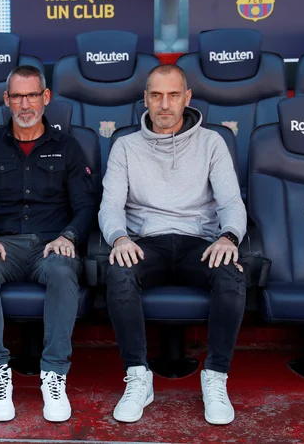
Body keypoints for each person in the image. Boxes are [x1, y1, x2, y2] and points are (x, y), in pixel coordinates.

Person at [99, 64, 247, 425]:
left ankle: (215, 377)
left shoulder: (213, 142)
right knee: (118, 270)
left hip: (199, 241)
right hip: (145, 243)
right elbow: (110, 207)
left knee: (231, 274)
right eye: (156, 95)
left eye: (173, 95)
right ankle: (138, 376)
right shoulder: (125, 146)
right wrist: (118, 237)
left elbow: (231, 203)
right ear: (145, 99)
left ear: (187, 98)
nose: (164, 104)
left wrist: (229, 236)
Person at [0, 65, 97, 423]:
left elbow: (85, 206)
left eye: (32, 95)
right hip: (3, 245)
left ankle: (53, 374)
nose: (25, 104)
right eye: (17, 96)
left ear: (46, 98)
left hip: (51, 244)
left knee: (64, 270)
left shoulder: (68, 147)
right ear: (6, 100)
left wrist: (69, 237)